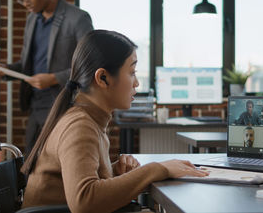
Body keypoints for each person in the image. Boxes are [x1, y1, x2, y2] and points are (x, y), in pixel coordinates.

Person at [20, 30, 208, 212]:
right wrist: (158, 169)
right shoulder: (80, 126)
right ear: (103, 78)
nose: (137, 83)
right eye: (132, 72)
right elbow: (84, 201)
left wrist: (113, 171)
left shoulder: (89, 119)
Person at [0, 0, 93, 154]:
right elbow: (27, 67)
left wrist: (53, 78)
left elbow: (90, 64)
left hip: (65, 106)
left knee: (58, 168)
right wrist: (5, 70)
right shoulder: (32, 20)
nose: (26, 3)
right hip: (36, 107)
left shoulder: (77, 18)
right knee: (32, 167)